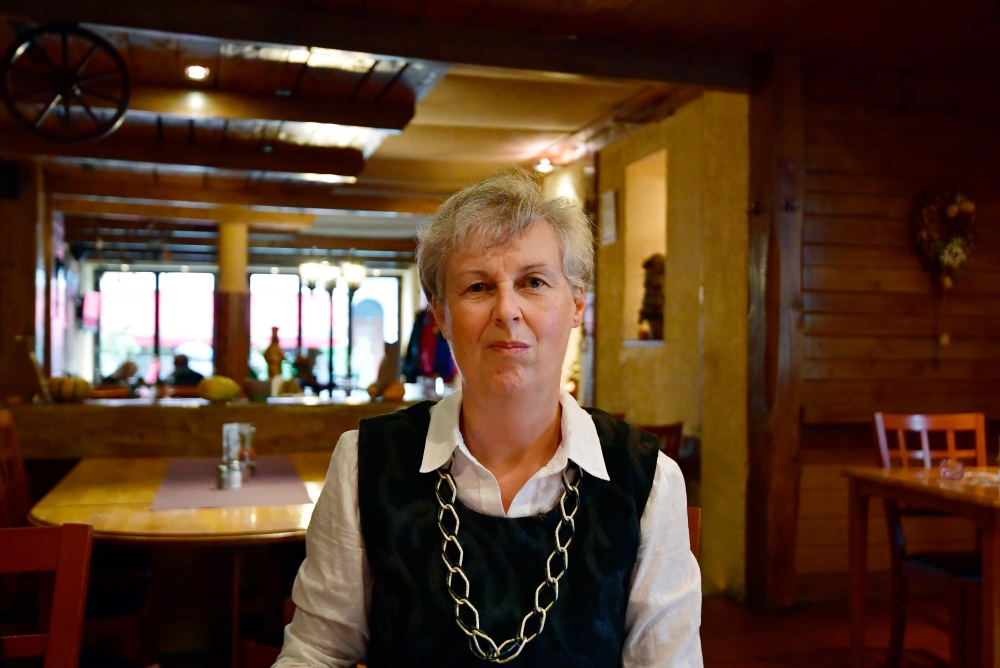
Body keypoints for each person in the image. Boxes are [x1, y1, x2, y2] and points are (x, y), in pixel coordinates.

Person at [275, 169, 702, 667]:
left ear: (576, 305)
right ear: (441, 315)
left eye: (534, 282)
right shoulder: (363, 462)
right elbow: (318, 652)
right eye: (478, 287)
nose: (507, 310)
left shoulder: (648, 479)